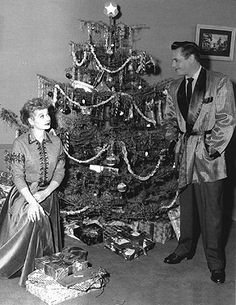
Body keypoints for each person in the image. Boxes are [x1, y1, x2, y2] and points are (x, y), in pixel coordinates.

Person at [163, 41, 236, 284]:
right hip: (184, 154)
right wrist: (173, 140)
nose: (172, 64)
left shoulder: (219, 82)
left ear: (192, 58)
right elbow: (170, 118)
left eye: (177, 60)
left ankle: (215, 263)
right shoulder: (174, 87)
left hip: (209, 157)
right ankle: (185, 248)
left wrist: (211, 149)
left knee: (212, 212)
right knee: (187, 206)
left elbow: (227, 119)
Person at [0, 98, 65, 286]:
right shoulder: (20, 143)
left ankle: (43, 266)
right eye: (41, 116)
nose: (47, 119)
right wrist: (33, 202)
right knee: (32, 219)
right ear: (30, 121)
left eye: (48, 114)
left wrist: (45, 194)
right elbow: (17, 177)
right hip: (24, 194)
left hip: (48, 194)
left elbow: (60, 171)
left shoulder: (56, 142)